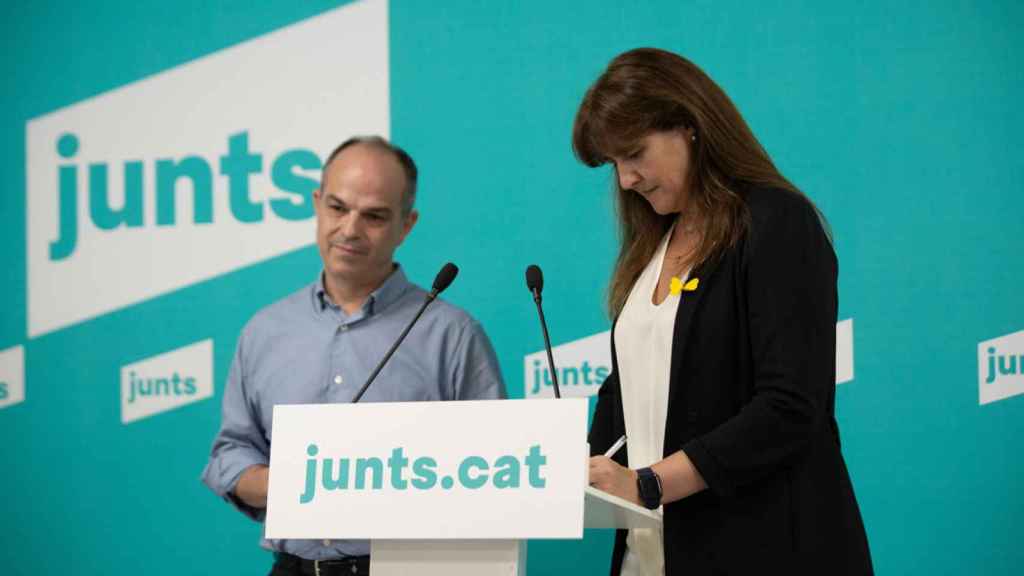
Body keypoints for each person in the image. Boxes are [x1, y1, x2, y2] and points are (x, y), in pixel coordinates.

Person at [576, 48, 873, 575]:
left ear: (689, 126)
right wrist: (583, 465)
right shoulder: (654, 245)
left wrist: (650, 484)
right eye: (614, 165)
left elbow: (789, 405)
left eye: (635, 154)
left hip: (764, 547)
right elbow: (627, 391)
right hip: (650, 553)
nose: (626, 180)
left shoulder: (776, 223)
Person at [202, 136, 506, 576]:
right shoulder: (263, 331)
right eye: (338, 207)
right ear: (316, 204)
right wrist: (289, 484)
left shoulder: (452, 335)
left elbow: (495, 470)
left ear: (407, 225)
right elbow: (232, 453)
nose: (350, 229)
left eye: (375, 216)